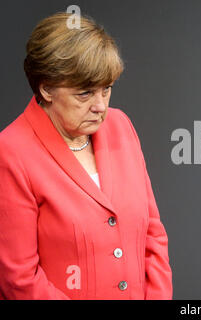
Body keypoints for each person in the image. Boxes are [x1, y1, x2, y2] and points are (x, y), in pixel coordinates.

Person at [0, 12, 172, 299]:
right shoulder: (11, 152)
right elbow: (20, 280)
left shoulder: (121, 126)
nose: (100, 106)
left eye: (107, 90)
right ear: (46, 88)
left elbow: (153, 235)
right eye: (84, 94)